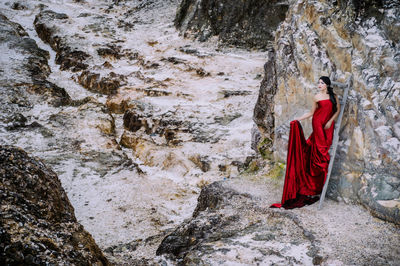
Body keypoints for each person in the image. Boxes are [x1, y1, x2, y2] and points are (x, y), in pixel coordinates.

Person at [271, 76, 340, 209]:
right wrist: (298, 119)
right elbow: (311, 113)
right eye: (318, 82)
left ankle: (315, 183)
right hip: (317, 123)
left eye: (322, 83)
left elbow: (336, 111)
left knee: (323, 148)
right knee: (320, 151)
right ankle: (314, 184)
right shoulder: (316, 97)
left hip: (328, 125)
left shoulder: (333, 96)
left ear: (327, 85)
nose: (319, 85)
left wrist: (331, 121)